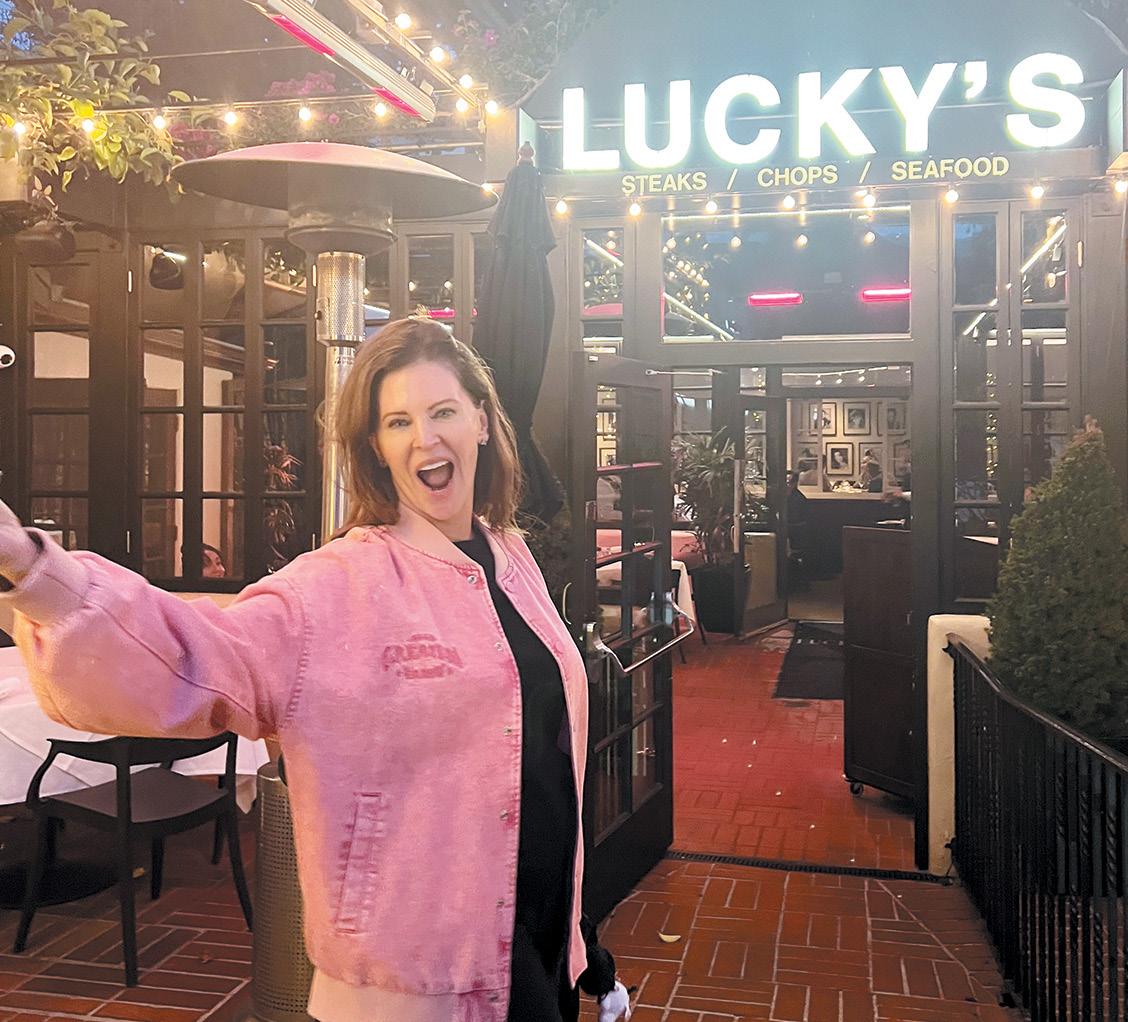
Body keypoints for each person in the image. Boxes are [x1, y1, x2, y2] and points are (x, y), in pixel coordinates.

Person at [0, 318, 613, 1022]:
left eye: (443, 411)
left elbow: (541, 759)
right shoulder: (334, 586)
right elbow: (194, 656)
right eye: (399, 421)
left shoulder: (510, 554)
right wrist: (34, 568)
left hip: (541, 946)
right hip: (413, 986)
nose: (425, 437)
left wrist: (579, 935)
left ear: (480, 420)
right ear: (377, 447)